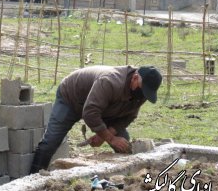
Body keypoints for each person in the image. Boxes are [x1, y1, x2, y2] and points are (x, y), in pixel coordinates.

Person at [30, 65, 162, 173]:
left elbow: (129, 117)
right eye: (142, 89)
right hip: (71, 98)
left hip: (106, 108)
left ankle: (122, 179)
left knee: (123, 145)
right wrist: (110, 137)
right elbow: (90, 113)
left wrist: (105, 134)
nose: (143, 95)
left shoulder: (142, 94)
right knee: (51, 141)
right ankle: (32, 179)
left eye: (146, 93)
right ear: (134, 78)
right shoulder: (110, 81)